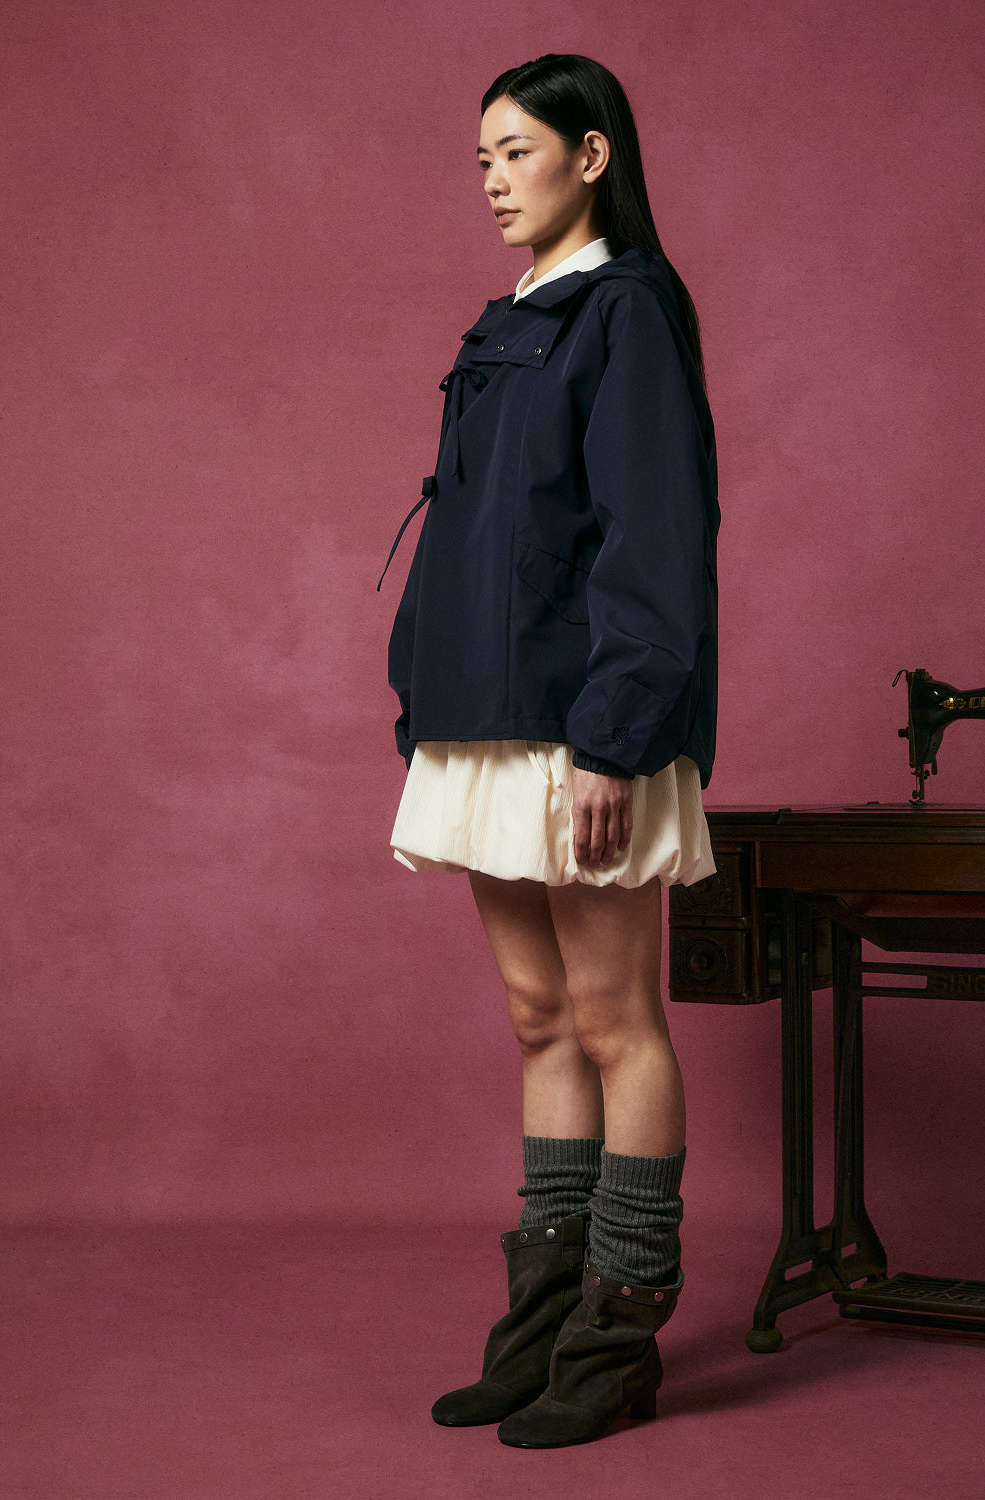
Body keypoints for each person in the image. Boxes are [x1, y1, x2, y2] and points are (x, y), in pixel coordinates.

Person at [381, 53, 720, 1449]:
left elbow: (656, 531)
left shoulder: (626, 307)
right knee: (538, 1019)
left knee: (614, 1018)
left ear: (591, 155)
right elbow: (473, 529)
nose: (492, 181)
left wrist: (616, 740)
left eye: (516, 152)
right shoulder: (509, 318)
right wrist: (420, 692)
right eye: (481, 159)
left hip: (583, 725)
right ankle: (541, 1325)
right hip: (481, 713)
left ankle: (618, 1333)